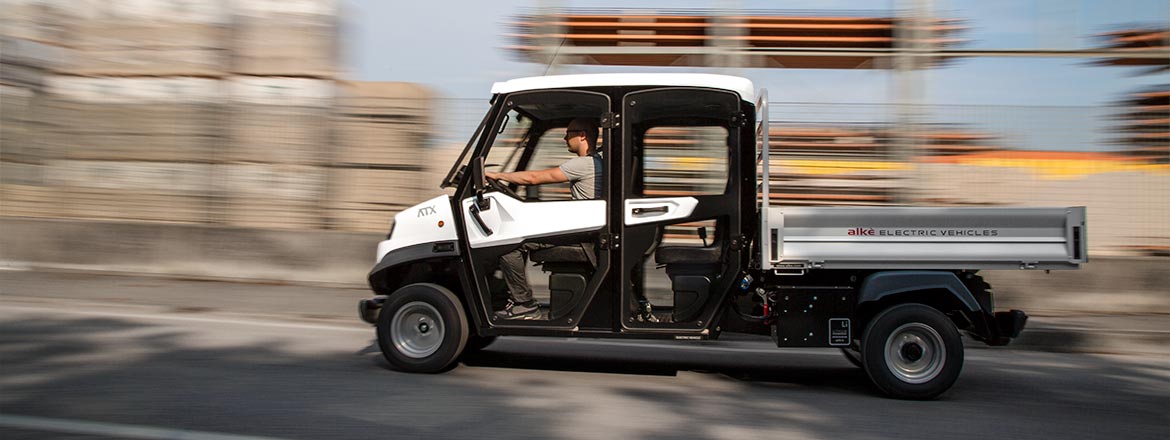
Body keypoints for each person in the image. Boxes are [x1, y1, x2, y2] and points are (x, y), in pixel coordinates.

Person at [485, 118, 602, 319]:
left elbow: (534, 178)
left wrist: (496, 175)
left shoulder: (585, 163)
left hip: (582, 234)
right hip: (587, 230)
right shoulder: (597, 161)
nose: (565, 137)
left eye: (569, 133)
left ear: (582, 135)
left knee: (509, 245)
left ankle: (524, 304)